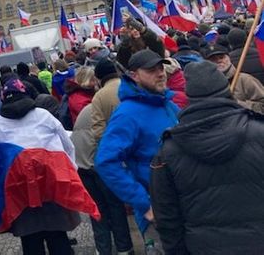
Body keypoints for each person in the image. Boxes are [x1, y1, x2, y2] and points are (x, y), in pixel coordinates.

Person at [150, 60, 264, 254]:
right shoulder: (260, 133)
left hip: (202, 247)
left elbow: (166, 216)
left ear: (190, 97)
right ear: (226, 90)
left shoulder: (168, 150)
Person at [0, 76, 98, 255]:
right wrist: (70, 172)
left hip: (21, 193)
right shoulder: (43, 115)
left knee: (31, 243)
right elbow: (67, 144)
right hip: (52, 185)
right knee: (58, 238)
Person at [95, 49, 179, 251]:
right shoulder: (127, 114)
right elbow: (105, 162)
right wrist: (143, 203)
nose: (160, 73)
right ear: (134, 75)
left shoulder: (168, 104)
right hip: (158, 212)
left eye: (161, 67)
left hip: (181, 203)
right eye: (152, 70)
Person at [72, 104, 133, 255]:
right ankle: (124, 248)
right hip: (101, 166)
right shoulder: (109, 109)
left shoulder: (87, 109)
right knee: (115, 207)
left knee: (97, 210)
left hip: (83, 165)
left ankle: (102, 249)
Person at [204, 45, 264, 113]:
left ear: (229, 58)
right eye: (213, 59)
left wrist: (237, 103)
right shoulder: (206, 85)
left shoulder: (245, 80)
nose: (219, 61)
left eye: (222, 57)